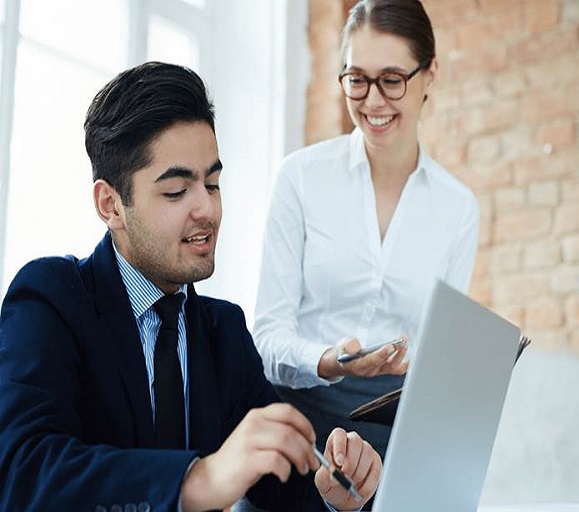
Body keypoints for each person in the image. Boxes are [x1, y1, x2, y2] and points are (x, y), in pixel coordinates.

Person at [0, 61, 381, 512]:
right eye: (177, 191)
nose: (208, 209)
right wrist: (198, 479)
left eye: (213, 183)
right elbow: (24, 471)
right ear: (111, 205)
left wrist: (334, 489)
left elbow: (287, 487)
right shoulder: (51, 298)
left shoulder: (224, 331)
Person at [253, 0, 479, 461]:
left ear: (429, 75)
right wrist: (328, 361)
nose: (373, 101)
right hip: (295, 431)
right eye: (357, 79)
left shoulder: (458, 209)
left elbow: (438, 358)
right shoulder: (300, 178)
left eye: (392, 80)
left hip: (393, 440)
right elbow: (267, 338)